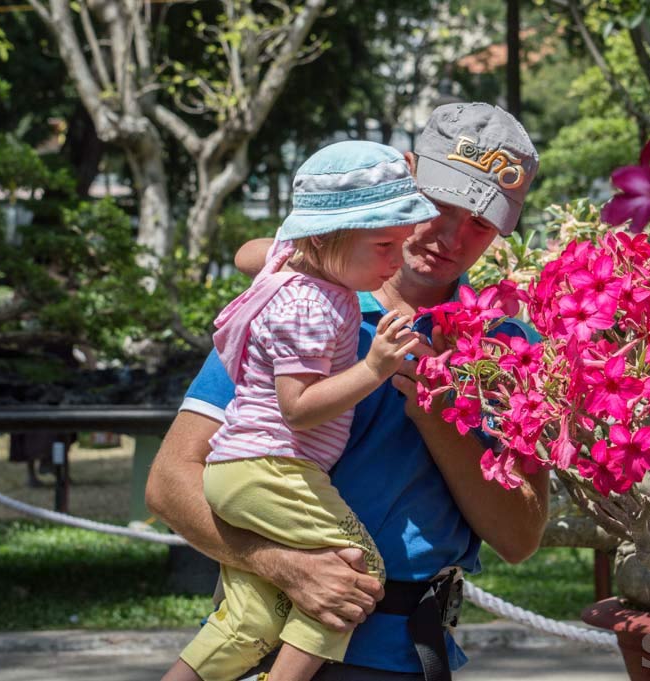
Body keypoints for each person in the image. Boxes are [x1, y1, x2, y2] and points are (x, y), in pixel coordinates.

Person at [145, 103, 548, 681]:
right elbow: (169, 482)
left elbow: (518, 537)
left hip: (404, 658)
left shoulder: (507, 344)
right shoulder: (297, 304)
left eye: (481, 222)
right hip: (265, 644)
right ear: (407, 174)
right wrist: (285, 566)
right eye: (441, 204)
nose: (452, 237)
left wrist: (440, 413)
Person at [163, 141, 440, 681]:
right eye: (384, 244)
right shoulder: (311, 306)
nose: (396, 260)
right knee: (357, 574)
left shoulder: (290, 266)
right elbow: (299, 408)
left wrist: (385, 180)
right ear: (323, 238)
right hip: (275, 468)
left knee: (250, 616)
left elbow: (253, 251)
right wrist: (375, 367)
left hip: (238, 468)